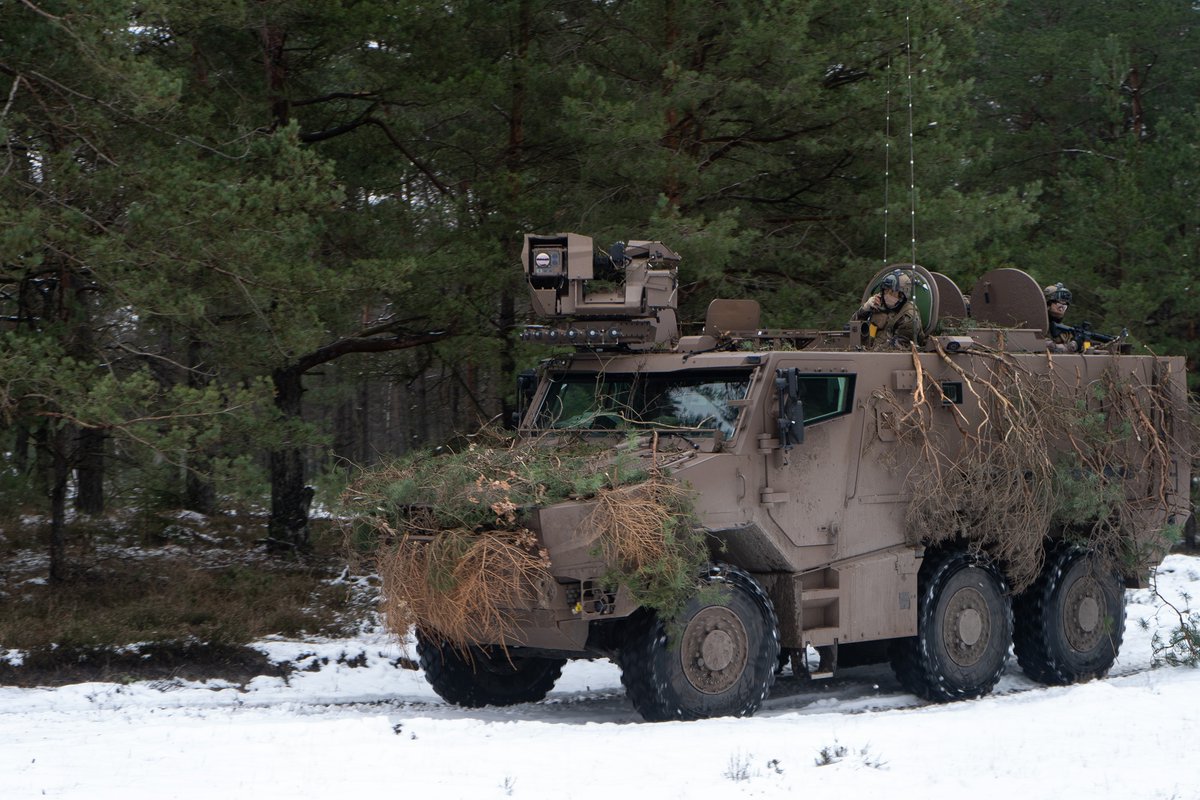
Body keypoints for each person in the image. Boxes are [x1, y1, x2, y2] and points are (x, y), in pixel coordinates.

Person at [855, 270, 926, 348]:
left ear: (902, 294)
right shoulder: (877, 306)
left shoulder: (908, 316)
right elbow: (852, 330)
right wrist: (864, 309)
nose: (887, 295)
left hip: (884, 354)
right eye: (885, 291)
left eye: (892, 292)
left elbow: (898, 348)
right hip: (866, 351)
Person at [1044, 282, 1078, 353]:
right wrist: (1067, 348)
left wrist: (1078, 344)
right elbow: (1037, 344)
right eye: (1059, 305)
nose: (1061, 309)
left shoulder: (1065, 331)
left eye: (1065, 306)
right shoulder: (1037, 324)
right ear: (1047, 304)